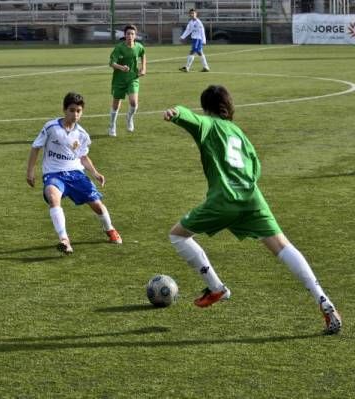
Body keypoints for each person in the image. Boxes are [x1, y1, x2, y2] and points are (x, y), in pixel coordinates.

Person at [162, 85, 342, 334]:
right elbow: (255, 167)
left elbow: (190, 118)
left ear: (206, 108)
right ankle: (324, 301)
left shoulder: (209, 125)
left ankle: (216, 288)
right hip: (252, 198)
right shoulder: (239, 133)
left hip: (224, 199)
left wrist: (176, 113)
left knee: (177, 235)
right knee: (283, 247)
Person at [26, 92, 123, 254]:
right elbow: (36, 147)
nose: (75, 114)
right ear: (64, 110)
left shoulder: (82, 135)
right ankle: (64, 239)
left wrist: (95, 173)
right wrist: (30, 171)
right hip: (54, 174)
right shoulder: (51, 127)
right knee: (52, 195)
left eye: (78, 111)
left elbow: (83, 156)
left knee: (98, 206)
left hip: (76, 174)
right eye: (72, 110)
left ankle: (110, 229)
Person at [108, 25, 147, 137]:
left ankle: (129, 118)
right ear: (124, 35)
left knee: (133, 103)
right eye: (128, 34)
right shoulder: (119, 48)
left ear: (135, 36)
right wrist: (121, 67)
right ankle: (112, 125)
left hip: (133, 78)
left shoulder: (139, 47)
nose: (130, 36)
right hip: (119, 79)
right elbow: (111, 63)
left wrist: (144, 68)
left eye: (132, 34)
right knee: (116, 105)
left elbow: (143, 54)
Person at [179, 9, 210, 73]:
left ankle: (187, 67)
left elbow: (202, 31)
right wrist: (182, 37)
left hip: (198, 39)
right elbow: (188, 30)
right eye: (191, 13)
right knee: (199, 53)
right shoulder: (190, 22)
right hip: (194, 39)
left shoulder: (198, 22)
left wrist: (204, 40)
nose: (192, 15)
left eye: (193, 13)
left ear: (196, 14)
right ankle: (206, 67)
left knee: (192, 52)